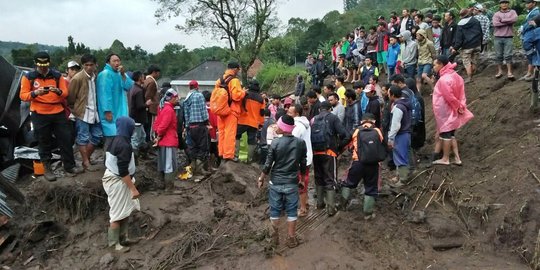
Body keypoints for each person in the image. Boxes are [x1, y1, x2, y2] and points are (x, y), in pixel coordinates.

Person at [20, 51, 83, 181]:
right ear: (36, 63)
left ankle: (69, 166)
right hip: (39, 113)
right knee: (44, 141)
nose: (43, 67)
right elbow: (23, 95)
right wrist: (35, 93)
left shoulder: (56, 76)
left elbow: (65, 93)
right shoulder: (29, 77)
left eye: (45, 64)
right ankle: (47, 169)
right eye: (40, 64)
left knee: (66, 138)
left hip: (57, 111)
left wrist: (58, 91)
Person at [258, 114, 307, 248]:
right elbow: (303, 164)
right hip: (292, 182)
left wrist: (261, 178)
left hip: (276, 182)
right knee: (291, 211)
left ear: (283, 128)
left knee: (275, 210)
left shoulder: (275, 143)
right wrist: (302, 180)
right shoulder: (300, 143)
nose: (276, 127)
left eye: (278, 125)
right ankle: (291, 238)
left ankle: (274, 238)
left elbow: (268, 164)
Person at [103, 116, 140, 252]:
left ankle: (124, 238)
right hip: (117, 181)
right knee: (117, 213)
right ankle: (114, 244)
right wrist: (133, 188)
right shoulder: (124, 145)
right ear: (128, 128)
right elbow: (123, 170)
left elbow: (106, 161)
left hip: (115, 178)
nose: (133, 130)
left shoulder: (115, 140)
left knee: (125, 210)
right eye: (132, 128)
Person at [431, 55, 474, 166]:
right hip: (453, 109)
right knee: (451, 134)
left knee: (445, 134)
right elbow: (462, 94)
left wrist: (458, 106)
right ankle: (457, 158)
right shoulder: (457, 76)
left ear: (441, 65)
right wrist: (461, 106)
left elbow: (449, 97)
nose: (434, 67)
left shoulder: (444, 79)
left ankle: (445, 158)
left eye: (435, 64)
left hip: (445, 110)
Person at [311, 101, 351, 216]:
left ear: (319, 109)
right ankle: (331, 209)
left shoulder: (313, 119)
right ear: (330, 109)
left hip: (315, 153)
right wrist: (338, 147)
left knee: (318, 177)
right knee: (330, 179)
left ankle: (319, 204)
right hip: (329, 153)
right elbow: (346, 135)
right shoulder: (333, 118)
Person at [340, 113, 383, 219]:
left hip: (357, 162)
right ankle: (368, 214)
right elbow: (382, 143)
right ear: (373, 121)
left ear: (362, 121)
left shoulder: (357, 130)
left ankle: (343, 205)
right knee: (371, 187)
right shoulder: (377, 131)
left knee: (349, 183)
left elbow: (346, 142)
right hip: (373, 164)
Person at [68, 54, 102, 172]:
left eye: (91, 65)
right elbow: (71, 98)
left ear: (95, 65)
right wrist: (76, 111)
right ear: (83, 65)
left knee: (97, 135)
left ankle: (85, 159)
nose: (89, 67)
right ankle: (86, 162)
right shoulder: (77, 78)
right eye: (86, 65)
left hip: (94, 111)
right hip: (82, 112)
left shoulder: (95, 77)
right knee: (83, 137)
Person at [97, 53, 134, 152]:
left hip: (120, 111)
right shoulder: (105, 74)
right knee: (110, 139)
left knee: (120, 138)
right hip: (110, 112)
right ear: (108, 62)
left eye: (118, 60)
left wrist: (123, 74)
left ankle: (117, 162)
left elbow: (129, 86)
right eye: (114, 61)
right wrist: (107, 111)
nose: (117, 63)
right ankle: (108, 164)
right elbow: (104, 94)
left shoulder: (120, 73)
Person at [216, 62, 246, 163]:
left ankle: (221, 152)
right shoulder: (234, 81)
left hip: (220, 110)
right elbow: (236, 96)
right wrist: (243, 92)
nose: (238, 71)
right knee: (230, 132)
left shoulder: (219, 80)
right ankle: (229, 155)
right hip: (231, 111)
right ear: (235, 69)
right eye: (238, 69)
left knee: (222, 132)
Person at [287, 104, 313, 218]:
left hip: (299, 159)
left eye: (290, 113)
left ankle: (302, 209)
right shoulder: (305, 123)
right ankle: (305, 203)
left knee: (300, 183)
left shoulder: (297, 126)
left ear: (296, 114)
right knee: (305, 180)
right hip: (307, 157)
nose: (288, 114)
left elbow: (292, 142)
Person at [183, 80, 211, 178]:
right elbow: (203, 110)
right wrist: (207, 121)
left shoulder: (186, 98)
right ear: (197, 87)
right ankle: (200, 169)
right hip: (200, 125)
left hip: (191, 126)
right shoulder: (199, 96)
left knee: (193, 147)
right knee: (203, 147)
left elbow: (186, 114)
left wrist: (187, 126)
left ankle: (193, 167)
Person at [153, 89, 179, 189]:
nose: (177, 99)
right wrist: (159, 135)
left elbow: (157, 124)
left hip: (164, 140)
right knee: (169, 164)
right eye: (176, 97)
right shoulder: (169, 110)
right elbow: (163, 126)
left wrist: (158, 136)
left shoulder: (163, 108)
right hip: (168, 141)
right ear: (171, 98)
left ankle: (163, 185)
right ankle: (169, 188)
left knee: (164, 163)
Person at [387, 86, 411, 187]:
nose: (388, 95)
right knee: (401, 155)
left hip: (401, 135)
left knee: (401, 156)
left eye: (389, 94)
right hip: (406, 133)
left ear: (392, 95)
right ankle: (399, 175)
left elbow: (396, 125)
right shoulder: (405, 103)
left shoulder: (398, 108)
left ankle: (403, 179)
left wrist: (390, 138)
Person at [237, 80, 265, 163]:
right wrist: (260, 123)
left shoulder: (245, 94)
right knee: (251, 141)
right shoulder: (261, 99)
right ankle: (249, 159)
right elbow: (262, 112)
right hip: (254, 123)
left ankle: (235, 156)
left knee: (236, 136)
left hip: (242, 120)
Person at [452, 9, 483, 83]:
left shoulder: (460, 24)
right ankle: (473, 74)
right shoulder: (475, 21)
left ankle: (469, 77)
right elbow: (480, 33)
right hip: (477, 44)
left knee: (467, 62)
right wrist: (481, 43)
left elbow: (459, 38)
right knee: (474, 60)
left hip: (467, 46)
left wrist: (455, 48)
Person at [492, 0, 518, 80]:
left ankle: (509, 72)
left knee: (508, 55)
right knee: (498, 55)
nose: (504, 4)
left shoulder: (512, 12)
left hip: (508, 37)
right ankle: (500, 71)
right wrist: (508, 22)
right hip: (497, 37)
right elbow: (495, 24)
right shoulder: (496, 14)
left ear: (508, 4)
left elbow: (514, 19)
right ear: (500, 5)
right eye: (502, 3)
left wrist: (502, 20)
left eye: (506, 3)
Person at [127, 71, 147, 162]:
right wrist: (147, 104)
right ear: (139, 78)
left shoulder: (132, 88)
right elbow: (139, 106)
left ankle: (142, 154)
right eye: (143, 76)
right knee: (135, 139)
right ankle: (134, 159)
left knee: (142, 136)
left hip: (133, 116)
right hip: (137, 118)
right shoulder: (139, 90)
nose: (144, 78)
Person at [520, 0, 540, 81]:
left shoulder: (536, 12)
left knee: (534, 53)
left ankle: (533, 74)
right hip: (532, 35)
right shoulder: (531, 12)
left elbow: (531, 24)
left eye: (528, 2)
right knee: (532, 54)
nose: (526, 4)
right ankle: (530, 73)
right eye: (526, 3)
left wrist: (523, 28)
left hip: (534, 35)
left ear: (534, 3)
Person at [202, 90, 220, 168]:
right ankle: (218, 165)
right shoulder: (215, 109)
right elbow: (217, 123)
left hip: (205, 134)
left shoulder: (202, 109)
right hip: (214, 135)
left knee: (207, 151)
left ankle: (207, 166)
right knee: (217, 152)